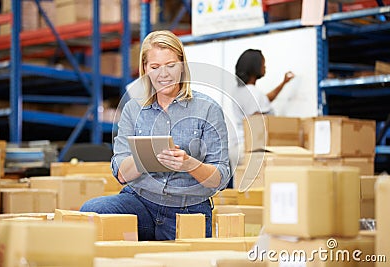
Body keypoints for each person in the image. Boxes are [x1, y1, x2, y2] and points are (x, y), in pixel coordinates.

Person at [80, 30, 231, 241]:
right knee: (92, 210)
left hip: (187, 207)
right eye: (155, 67)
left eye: (171, 65)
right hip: (140, 203)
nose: (164, 74)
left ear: (182, 66)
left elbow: (220, 178)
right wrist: (145, 158)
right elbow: (120, 173)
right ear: (145, 69)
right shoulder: (133, 109)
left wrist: (189, 164)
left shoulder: (208, 109)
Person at [229, 49, 294, 168]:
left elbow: (264, 100)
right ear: (255, 66)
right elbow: (257, 124)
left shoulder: (239, 90)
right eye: (263, 64)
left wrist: (283, 83)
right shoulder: (253, 92)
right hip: (251, 148)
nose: (265, 67)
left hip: (238, 147)